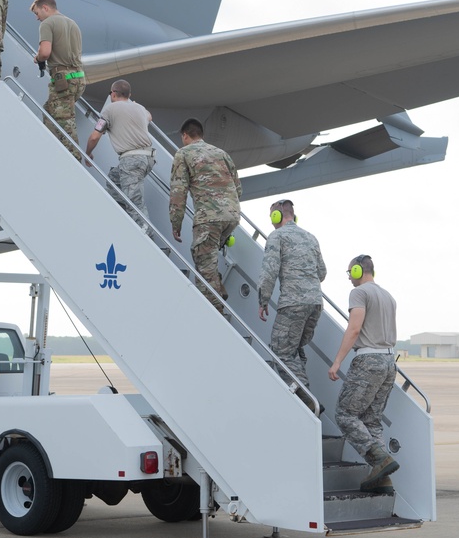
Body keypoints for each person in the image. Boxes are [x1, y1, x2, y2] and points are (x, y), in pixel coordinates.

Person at [327, 254, 400, 494]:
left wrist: (337, 361)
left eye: (350, 273)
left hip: (368, 360)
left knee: (345, 414)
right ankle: (382, 479)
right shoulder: (387, 296)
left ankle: (378, 457)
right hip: (389, 362)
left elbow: (355, 327)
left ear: (358, 271)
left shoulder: (359, 293)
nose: (349, 278)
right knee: (371, 420)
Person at [169, 118, 242, 313]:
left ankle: (214, 311)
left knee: (203, 266)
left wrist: (175, 223)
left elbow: (179, 192)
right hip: (232, 216)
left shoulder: (183, 154)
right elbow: (238, 188)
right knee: (207, 258)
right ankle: (218, 287)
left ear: (185, 135)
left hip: (209, 218)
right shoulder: (221, 153)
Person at [258, 199, 326, 390]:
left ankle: (304, 397)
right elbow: (322, 273)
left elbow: (269, 272)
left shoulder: (277, 236)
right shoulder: (311, 238)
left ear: (276, 215)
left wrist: (263, 300)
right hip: (315, 304)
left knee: (281, 351)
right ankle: (302, 397)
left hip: (292, 304)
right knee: (294, 349)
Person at [85, 80, 156, 234]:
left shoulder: (109, 110)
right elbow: (149, 117)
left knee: (134, 201)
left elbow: (94, 137)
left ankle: (145, 234)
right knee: (113, 180)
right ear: (129, 95)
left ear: (113, 94)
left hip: (131, 159)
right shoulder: (140, 108)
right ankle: (126, 218)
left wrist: (88, 153)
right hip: (147, 158)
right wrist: (135, 106)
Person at [31, 0, 85, 160]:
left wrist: (38, 57)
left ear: (45, 8)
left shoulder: (48, 23)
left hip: (63, 80)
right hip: (79, 78)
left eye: (37, 13)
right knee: (49, 111)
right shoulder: (72, 23)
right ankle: (52, 152)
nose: (37, 18)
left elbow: (45, 52)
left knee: (64, 122)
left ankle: (74, 160)